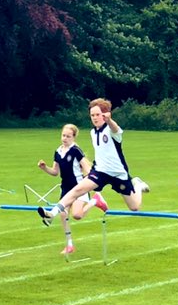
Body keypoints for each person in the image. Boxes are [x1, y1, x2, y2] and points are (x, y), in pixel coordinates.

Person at [37, 98, 149, 226]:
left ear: (105, 114)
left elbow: (116, 129)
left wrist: (109, 120)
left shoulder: (111, 130)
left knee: (134, 207)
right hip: (100, 172)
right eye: (92, 115)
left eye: (98, 115)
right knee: (76, 190)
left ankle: (138, 186)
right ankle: (51, 213)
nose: (95, 118)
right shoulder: (92, 132)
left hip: (118, 174)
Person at [36, 123, 108, 255]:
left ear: (74, 137)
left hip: (79, 186)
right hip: (65, 188)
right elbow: (55, 172)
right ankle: (69, 245)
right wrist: (44, 167)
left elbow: (86, 167)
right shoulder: (57, 152)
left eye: (68, 136)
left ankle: (94, 201)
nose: (65, 138)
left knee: (77, 215)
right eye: (63, 135)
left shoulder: (76, 150)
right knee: (63, 214)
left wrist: (90, 182)